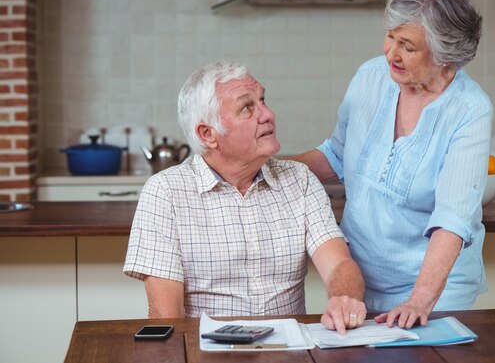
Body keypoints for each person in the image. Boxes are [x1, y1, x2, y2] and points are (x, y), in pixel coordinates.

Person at [291, 0, 492, 329]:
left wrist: (420, 300)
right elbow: (335, 155)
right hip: (360, 280)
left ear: (445, 55)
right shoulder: (370, 77)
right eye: (389, 36)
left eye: (407, 46)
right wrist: (264, 167)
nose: (390, 53)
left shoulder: (469, 110)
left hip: (435, 290)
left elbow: (453, 219)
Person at [123, 61, 366, 334]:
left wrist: (344, 298)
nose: (267, 115)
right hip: (207, 355)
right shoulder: (165, 193)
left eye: (263, 100)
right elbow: (165, 317)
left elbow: (339, 265)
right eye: (247, 108)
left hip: (290, 352)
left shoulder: (300, 180)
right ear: (208, 134)